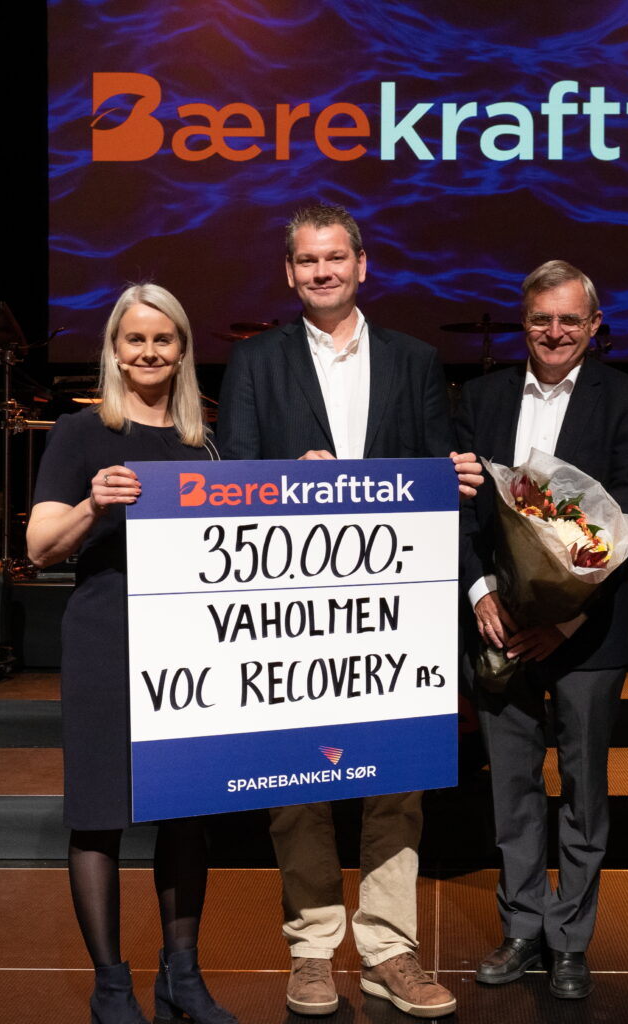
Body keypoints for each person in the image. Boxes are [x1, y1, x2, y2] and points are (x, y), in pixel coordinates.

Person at [215, 202, 481, 1018]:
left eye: (335, 258)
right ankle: (310, 951)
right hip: (292, 611)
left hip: (395, 606)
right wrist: (285, 483)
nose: (322, 271)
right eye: (307, 261)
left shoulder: (413, 360)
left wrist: (457, 482)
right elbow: (228, 490)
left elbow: (444, 496)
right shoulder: (255, 364)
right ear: (289, 273)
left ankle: (389, 952)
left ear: (362, 265)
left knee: (395, 781)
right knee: (298, 780)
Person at [27, 285, 237, 1024]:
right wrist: (94, 505)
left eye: (164, 340)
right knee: (99, 815)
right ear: (114, 350)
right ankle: (110, 986)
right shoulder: (80, 432)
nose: (149, 353)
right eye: (134, 340)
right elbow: (38, 545)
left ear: (182, 350)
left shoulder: (205, 443)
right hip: (106, 640)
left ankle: (182, 977)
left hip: (188, 648)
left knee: (187, 814)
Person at [456, 260, 628, 999]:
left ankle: (569, 940)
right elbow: (462, 508)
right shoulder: (478, 398)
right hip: (498, 625)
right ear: (523, 321)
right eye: (542, 318)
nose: (555, 332)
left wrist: (566, 617)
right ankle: (521, 930)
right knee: (510, 790)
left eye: (570, 320)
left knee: (582, 791)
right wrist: (480, 591)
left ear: (593, 327)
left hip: (589, 633)